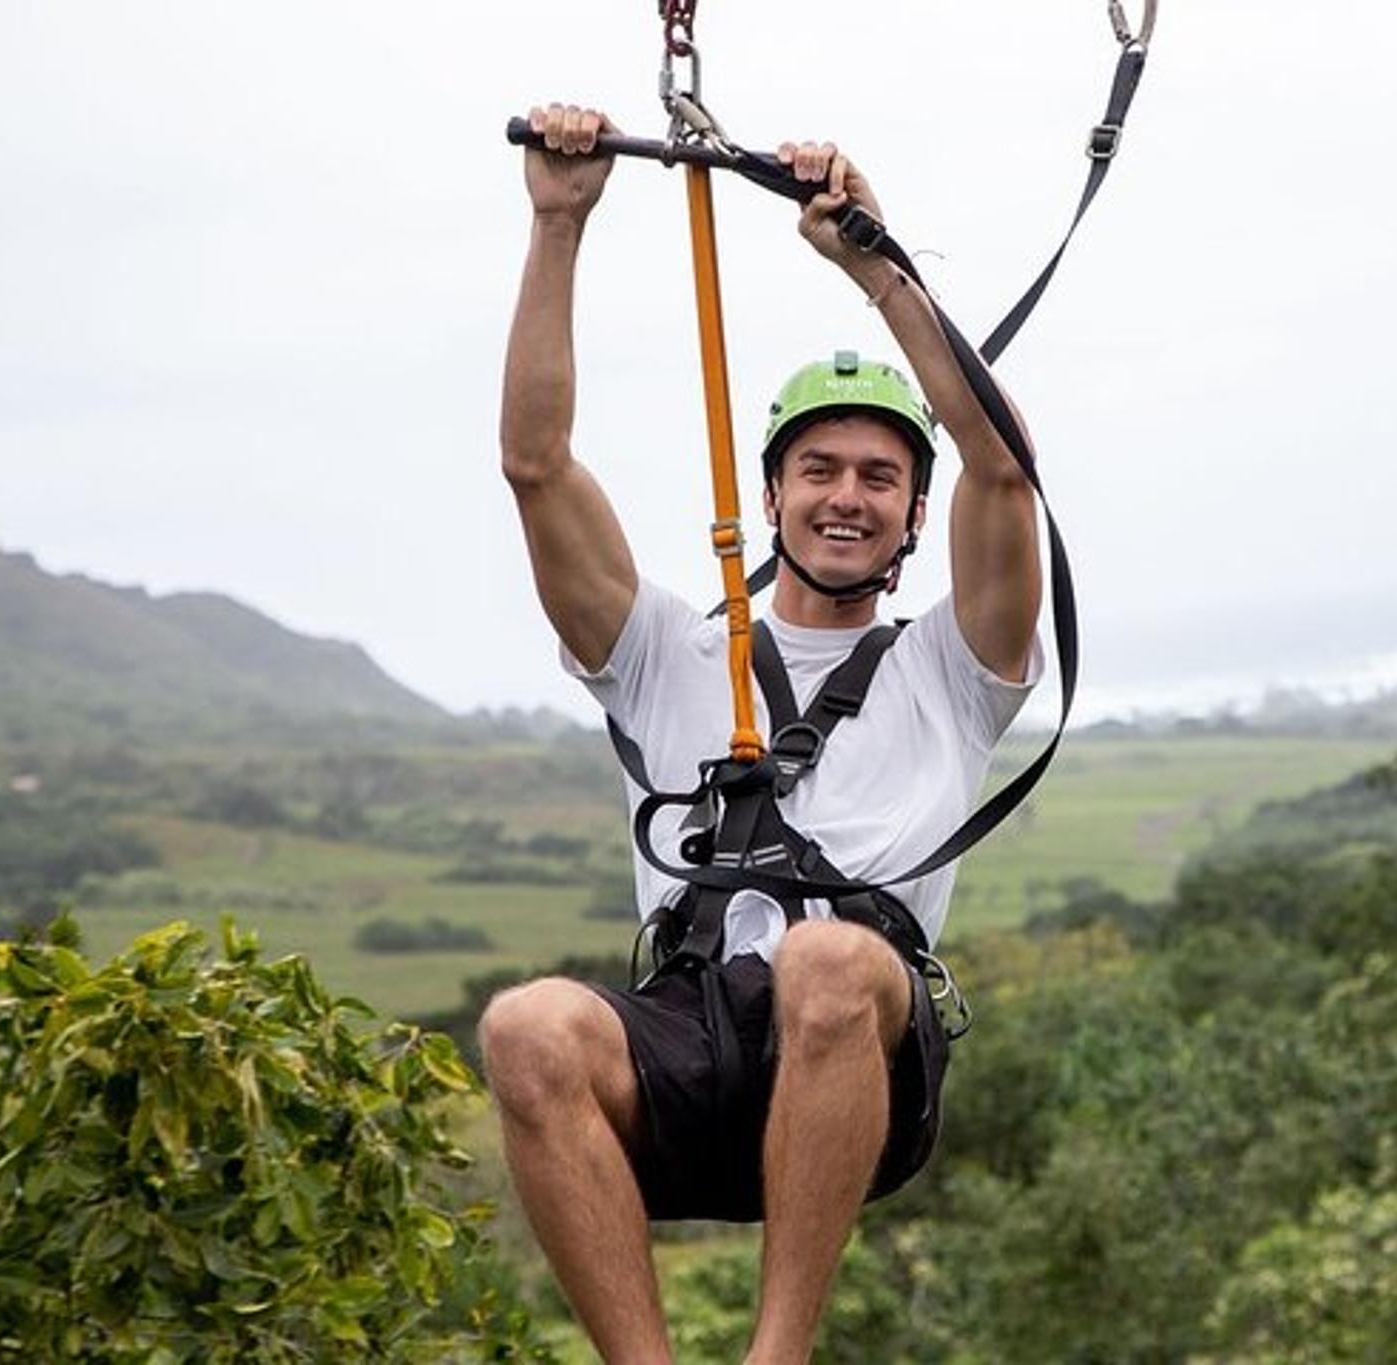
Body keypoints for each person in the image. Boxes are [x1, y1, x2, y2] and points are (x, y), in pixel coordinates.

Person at [478, 102, 1043, 1365]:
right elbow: (534, 463)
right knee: (525, 1027)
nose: (848, 495)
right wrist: (557, 223)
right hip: (690, 1037)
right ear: (773, 493)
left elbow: (1001, 470)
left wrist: (874, 262)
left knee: (829, 964)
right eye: (821, 469)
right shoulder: (665, 649)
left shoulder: (957, 668)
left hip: (861, 1051)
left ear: (909, 524)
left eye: (880, 477)